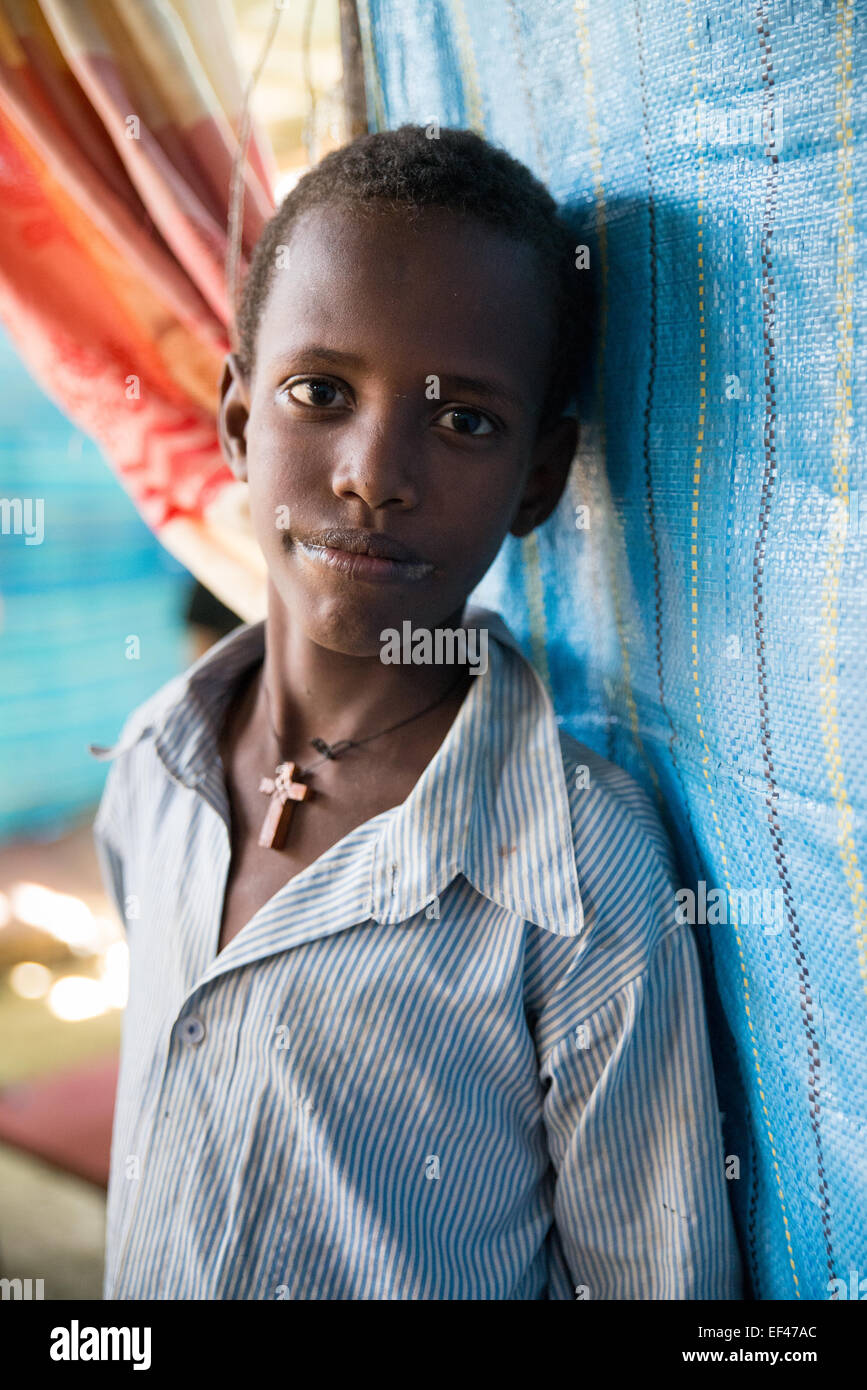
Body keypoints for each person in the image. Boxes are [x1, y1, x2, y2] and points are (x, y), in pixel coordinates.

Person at [91, 124, 743, 1300]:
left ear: (538, 481)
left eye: (463, 422)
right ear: (239, 422)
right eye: (320, 392)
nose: (373, 471)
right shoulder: (153, 764)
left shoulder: (582, 875)